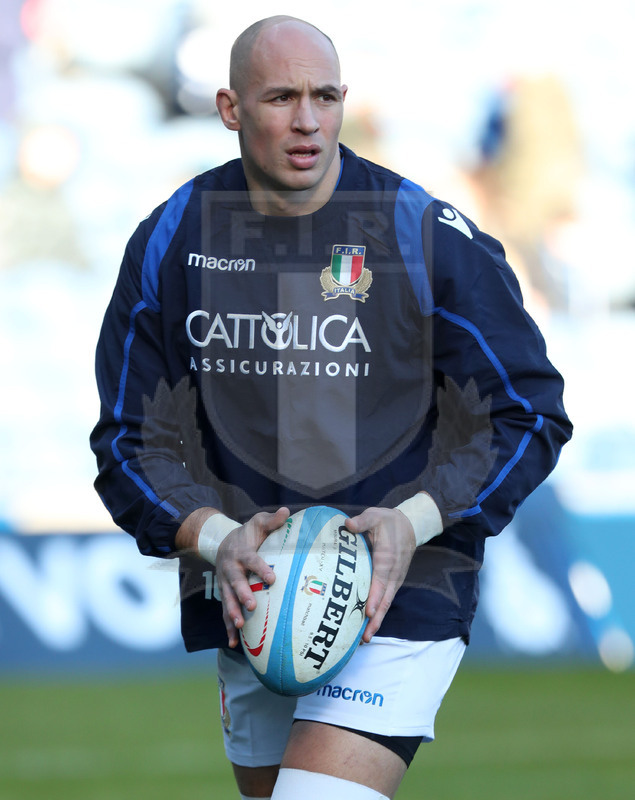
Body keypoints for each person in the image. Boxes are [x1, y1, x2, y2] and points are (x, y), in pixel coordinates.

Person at [90, 15, 572, 800]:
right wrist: (216, 539)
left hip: (403, 582)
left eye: (325, 96)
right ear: (230, 107)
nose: (308, 119)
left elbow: (528, 412)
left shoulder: (420, 234)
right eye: (281, 97)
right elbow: (127, 441)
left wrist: (410, 522)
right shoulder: (173, 238)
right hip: (255, 593)